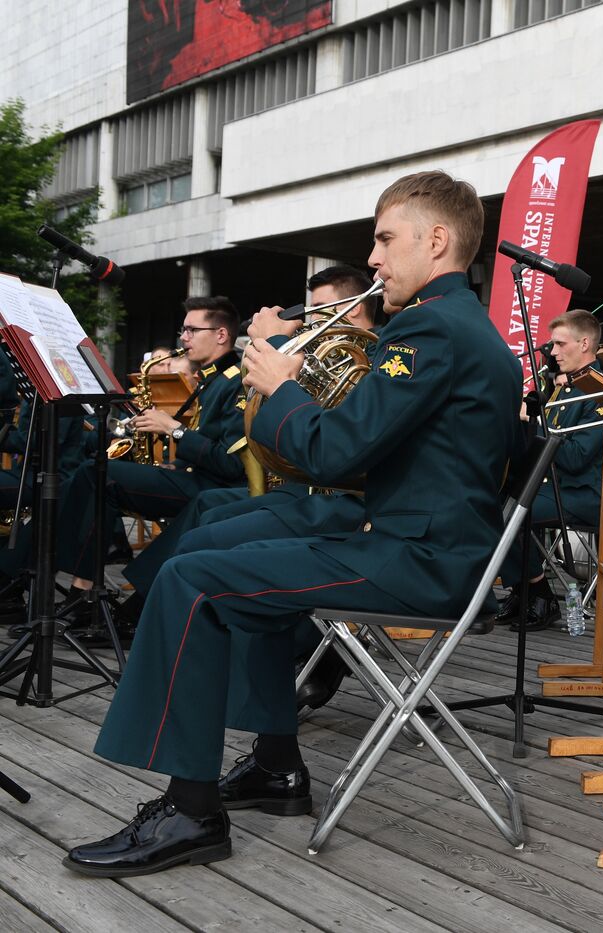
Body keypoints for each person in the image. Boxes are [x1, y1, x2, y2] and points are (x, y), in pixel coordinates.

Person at [63, 169, 519, 878]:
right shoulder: (468, 327)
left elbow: (334, 451)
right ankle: (275, 763)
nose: (373, 257)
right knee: (236, 552)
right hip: (426, 547)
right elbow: (374, 453)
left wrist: (282, 388)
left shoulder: (432, 327)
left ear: (435, 241)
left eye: (384, 239)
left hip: (417, 560)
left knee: (193, 578)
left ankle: (191, 811)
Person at [118, 264, 383, 624]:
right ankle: (153, 610)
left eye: (319, 308)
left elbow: (331, 438)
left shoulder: (376, 355)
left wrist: (273, 350)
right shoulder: (326, 356)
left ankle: (153, 613)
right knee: (210, 516)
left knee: (207, 527)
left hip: (335, 497)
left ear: (353, 308)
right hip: (304, 488)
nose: (309, 319)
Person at [55, 297, 248, 608]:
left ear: (221, 335)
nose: (182, 338)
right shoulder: (213, 378)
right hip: (194, 476)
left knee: (98, 474)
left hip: (216, 488)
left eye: (191, 330)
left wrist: (175, 430)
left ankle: (82, 588)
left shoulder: (236, 381)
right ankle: (81, 585)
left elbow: (229, 463)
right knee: (95, 470)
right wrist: (178, 463)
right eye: (182, 330)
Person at [494, 309, 603, 633]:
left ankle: (540, 595)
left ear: (584, 344)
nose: (553, 352)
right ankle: (522, 592)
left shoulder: (599, 389)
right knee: (485, 503)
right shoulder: (567, 386)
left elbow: (575, 458)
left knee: (505, 516)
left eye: (559, 344)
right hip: (551, 486)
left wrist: (535, 422)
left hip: (580, 492)